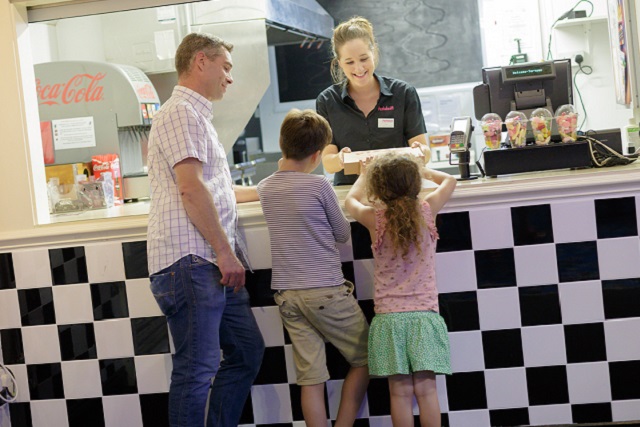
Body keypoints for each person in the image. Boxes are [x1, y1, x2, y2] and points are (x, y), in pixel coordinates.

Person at [146, 32, 264, 427]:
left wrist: (275, 187)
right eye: (225, 67)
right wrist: (224, 252)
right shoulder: (180, 113)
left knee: (246, 351)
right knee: (196, 371)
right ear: (201, 62)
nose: (229, 78)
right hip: (193, 262)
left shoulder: (195, 116)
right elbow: (191, 188)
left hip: (206, 262)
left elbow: (215, 189)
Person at [257, 109, 370, 427]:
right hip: (325, 291)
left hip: (287, 297)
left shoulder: (266, 188)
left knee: (311, 377)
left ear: (282, 146)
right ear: (318, 155)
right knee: (366, 357)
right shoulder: (319, 187)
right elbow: (343, 234)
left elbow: (280, 184)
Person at [345, 153, 456, 427]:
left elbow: (350, 202)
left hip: (389, 320)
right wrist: (423, 169)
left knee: (400, 392)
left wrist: (363, 173)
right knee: (427, 391)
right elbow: (450, 180)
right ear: (414, 183)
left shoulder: (376, 218)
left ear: (379, 187)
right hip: (424, 318)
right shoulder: (427, 209)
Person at [316, 16, 431, 186]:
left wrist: (420, 152)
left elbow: (425, 153)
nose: (359, 68)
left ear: (374, 53)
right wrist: (341, 159)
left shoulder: (404, 93)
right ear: (339, 63)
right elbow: (328, 162)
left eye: (364, 59)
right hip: (351, 193)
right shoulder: (327, 100)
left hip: (400, 190)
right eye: (349, 62)